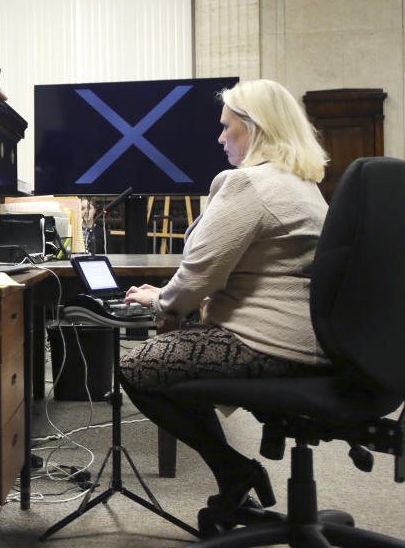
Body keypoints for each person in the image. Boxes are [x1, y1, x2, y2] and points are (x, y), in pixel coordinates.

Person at [119, 79, 331, 520]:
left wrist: (162, 303)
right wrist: (171, 300)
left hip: (268, 345)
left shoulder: (248, 185)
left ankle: (234, 471)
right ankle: (233, 475)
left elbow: (198, 274)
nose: (220, 138)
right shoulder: (304, 186)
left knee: (139, 366)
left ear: (254, 130)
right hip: (315, 343)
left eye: (227, 127)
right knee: (180, 353)